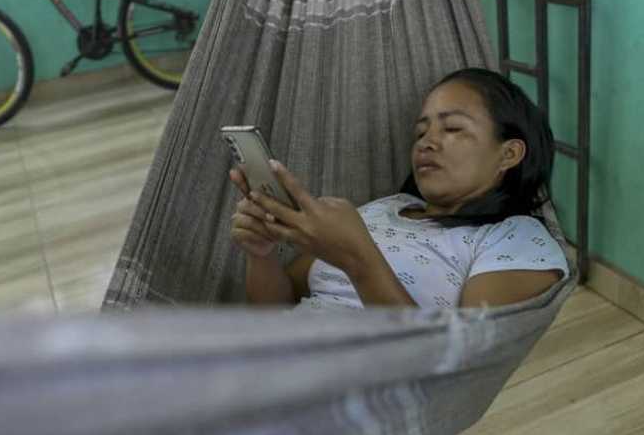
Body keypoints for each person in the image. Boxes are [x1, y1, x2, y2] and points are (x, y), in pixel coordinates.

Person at [229, 68, 569, 309]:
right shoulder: (383, 209)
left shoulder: (514, 239)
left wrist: (359, 259)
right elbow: (277, 308)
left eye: (452, 128)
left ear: (508, 154)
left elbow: (463, 364)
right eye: (420, 133)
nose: (426, 143)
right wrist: (262, 255)